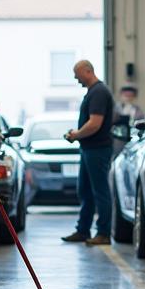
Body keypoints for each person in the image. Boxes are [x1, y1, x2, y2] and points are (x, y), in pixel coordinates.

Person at [61, 60, 114, 246]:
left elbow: (94, 123)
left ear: (88, 71)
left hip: (97, 149)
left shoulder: (99, 92)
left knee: (100, 191)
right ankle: (83, 230)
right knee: (85, 191)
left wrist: (76, 135)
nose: (76, 79)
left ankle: (104, 233)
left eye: (77, 74)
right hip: (89, 149)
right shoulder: (93, 92)